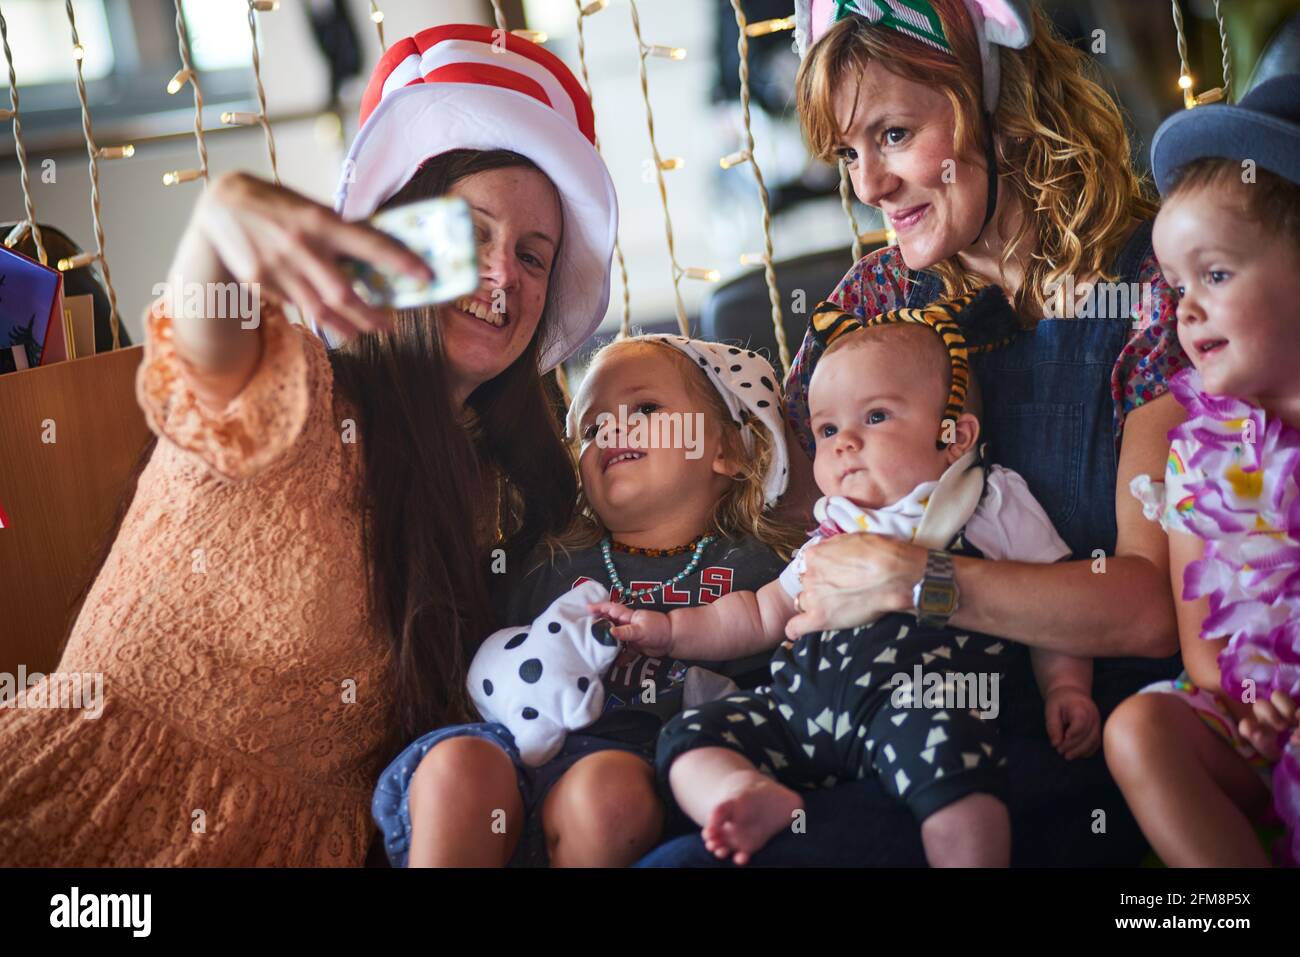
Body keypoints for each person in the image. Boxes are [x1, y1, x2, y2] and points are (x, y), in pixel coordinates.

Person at [0, 24, 616, 866]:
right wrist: (225, 222)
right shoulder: (289, 385)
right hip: (91, 833)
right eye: (470, 233)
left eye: (533, 257)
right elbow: (206, 332)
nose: (503, 275)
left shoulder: (497, 494)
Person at [640, 0, 1187, 867]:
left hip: (1058, 751)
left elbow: (1151, 609)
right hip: (859, 732)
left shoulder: (1148, 289)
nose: (868, 186)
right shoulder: (868, 302)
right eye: (849, 152)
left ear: (993, 97)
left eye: (894, 134)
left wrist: (921, 579)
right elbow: (792, 530)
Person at [604, 292, 1097, 866]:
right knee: (687, 738)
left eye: (877, 416)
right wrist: (667, 630)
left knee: (957, 780)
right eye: (828, 428)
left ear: (954, 437)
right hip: (801, 711)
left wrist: (1066, 687)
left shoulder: (984, 499)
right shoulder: (830, 531)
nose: (845, 442)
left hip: (920, 703)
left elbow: (1052, 600)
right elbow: (760, 614)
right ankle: (748, 793)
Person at [377, 334, 803, 866]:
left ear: (729, 449)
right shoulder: (544, 560)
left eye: (645, 407)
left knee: (606, 792)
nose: (611, 430)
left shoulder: (760, 569)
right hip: (519, 756)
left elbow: (791, 683)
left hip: (645, 762)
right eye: (591, 427)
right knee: (457, 763)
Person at [1106, 75, 1300, 867]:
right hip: (1258, 724)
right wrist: (1255, 700)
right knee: (1140, 727)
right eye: (1176, 286)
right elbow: (1200, 651)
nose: (1185, 311)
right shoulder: (1194, 457)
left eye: (1214, 275)